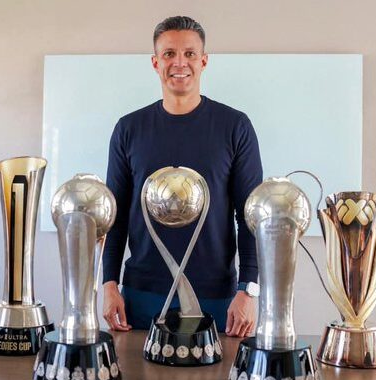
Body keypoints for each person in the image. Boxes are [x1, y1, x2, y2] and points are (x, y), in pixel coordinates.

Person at [102, 16, 263, 338]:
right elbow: (113, 217)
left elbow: (251, 217)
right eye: (169, 54)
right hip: (141, 294)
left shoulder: (235, 127)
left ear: (203, 61)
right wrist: (108, 284)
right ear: (155, 62)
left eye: (189, 54)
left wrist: (248, 289)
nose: (180, 63)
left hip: (217, 296)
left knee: (218, 374)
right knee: (137, 373)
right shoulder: (129, 129)